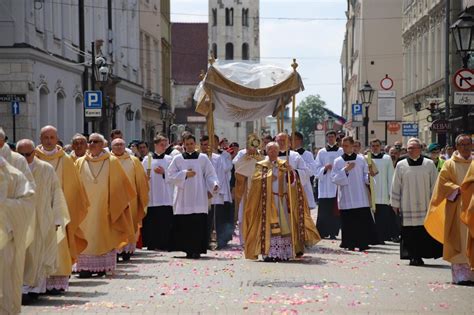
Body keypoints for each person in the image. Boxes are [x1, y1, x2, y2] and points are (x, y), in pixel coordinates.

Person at [243, 141, 320, 261]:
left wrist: (291, 172)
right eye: (270, 150)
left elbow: (293, 183)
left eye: (275, 150)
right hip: (267, 202)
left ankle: (283, 253)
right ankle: (268, 253)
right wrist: (267, 178)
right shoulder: (261, 165)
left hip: (282, 200)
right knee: (268, 227)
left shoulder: (284, 164)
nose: (273, 152)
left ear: (279, 151)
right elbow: (255, 182)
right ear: (266, 151)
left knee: (285, 226)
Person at [35, 125, 89, 293]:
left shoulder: (65, 159)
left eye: (52, 137)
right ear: (40, 139)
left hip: (59, 211)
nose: (49, 141)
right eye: (46, 138)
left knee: (59, 245)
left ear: (57, 139)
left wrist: (66, 209)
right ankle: (38, 282)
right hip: (37, 211)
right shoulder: (33, 157)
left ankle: (56, 281)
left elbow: (74, 189)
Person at [74, 133, 136, 277]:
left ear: (102, 145)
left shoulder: (112, 161)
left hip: (105, 207)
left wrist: (114, 205)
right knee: (85, 235)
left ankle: (101, 267)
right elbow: (75, 185)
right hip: (85, 209)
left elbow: (120, 186)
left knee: (103, 235)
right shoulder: (80, 162)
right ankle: (84, 268)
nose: (92, 144)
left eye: (96, 141)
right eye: (90, 141)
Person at [16, 140, 69, 303]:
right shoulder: (11, 169)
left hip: (41, 218)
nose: (25, 158)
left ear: (34, 152)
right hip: (18, 219)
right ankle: (22, 288)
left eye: (28, 154)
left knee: (38, 253)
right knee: (20, 255)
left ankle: (35, 289)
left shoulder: (46, 169)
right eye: (21, 154)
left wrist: (57, 219)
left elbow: (56, 194)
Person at [425, 134, 474, 284]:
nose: (465, 147)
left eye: (468, 144)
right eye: (462, 145)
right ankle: (461, 277)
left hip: (472, 207)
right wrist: (459, 189)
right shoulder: (449, 164)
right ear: (457, 147)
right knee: (458, 239)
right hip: (457, 207)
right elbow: (443, 184)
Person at [391, 138, 442, 266]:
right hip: (407, 204)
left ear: (420, 149)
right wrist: (395, 204)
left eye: (414, 148)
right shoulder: (401, 165)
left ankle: (420, 255)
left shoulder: (429, 164)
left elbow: (435, 185)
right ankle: (412, 256)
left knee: (422, 232)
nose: (412, 150)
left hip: (425, 204)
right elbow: (396, 185)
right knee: (409, 232)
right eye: (409, 148)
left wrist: (434, 203)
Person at [167, 134, 219, 259]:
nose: (189, 146)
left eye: (191, 143)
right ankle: (187, 249)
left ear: (195, 144)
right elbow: (170, 175)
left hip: (198, 194)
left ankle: (197, 249)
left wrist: (214, 184)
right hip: (183, 196)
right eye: (187, 144)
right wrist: (185, 174)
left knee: (198, 222)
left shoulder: (203, 158)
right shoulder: (178, 159)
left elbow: (210, 174)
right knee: (185, 223)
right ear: (183, 144)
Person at [0, 155, 35, 314]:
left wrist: (5, 206)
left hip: (5, 240)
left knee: (5, 281)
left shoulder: (14, 175)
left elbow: (28, 201)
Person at [331, 136, 377, 251]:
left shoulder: (361, 159)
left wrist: (369, 177)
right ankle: (349, 243)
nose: (344, 147)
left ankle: (363, 243)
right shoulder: (338, 161)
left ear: (352, 145)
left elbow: (365, 176)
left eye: (346, 145)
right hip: (346, 196)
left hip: (360, 195)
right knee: (348, 222)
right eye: (343, 145)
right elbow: (334, 179)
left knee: (361, 221)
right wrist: (345, 170)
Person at [110, 138, 149, 261]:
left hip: (130, 199)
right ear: (112, 146)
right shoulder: (107, 160)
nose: (119, 147)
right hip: (113, 199)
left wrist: (141, 197)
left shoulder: (133, 161)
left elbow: (141, 181)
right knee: (114, 225)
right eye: (116, 145)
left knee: (129, 224)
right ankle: (115, 250)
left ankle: (126, 250)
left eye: (121, 144)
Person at [142, 135, 174, 250]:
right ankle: (152, 243)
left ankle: (165, 243)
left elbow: (174, 176)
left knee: (165, 221)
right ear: (155, 145)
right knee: (152, 221)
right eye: (161, 144)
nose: (164, 147)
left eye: (165, 145)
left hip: (165, 195)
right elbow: (142, 176)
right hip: (153, 195)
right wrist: (146, 177)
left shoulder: (170, 159)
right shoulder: (148, 159)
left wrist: (164, 172)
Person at [200, 135, 233, 249]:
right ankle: (205, 240)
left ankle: (219, 240)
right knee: (205, 218)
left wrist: (213, 189)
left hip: (215, 192)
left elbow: (220, 175)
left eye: (208, 144)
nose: (206, 147)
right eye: (204, 145)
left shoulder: (218, 157)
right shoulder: (198, 157)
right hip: (201, 193)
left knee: (217, 218)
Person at [233, 134, 264, 244]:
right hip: (245, 188)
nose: (252, 149)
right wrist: (246, 160)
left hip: (258, 188)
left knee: (258, 215)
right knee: (243, 215)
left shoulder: (261, 156)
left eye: (255, 147)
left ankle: (257, 238)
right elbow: (237, 166)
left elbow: (265, 168)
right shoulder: (242, 154)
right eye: (250, 146)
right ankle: (244, 240)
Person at [368, 139, 399, 243]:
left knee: (382, 218)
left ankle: (382, 237)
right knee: (371, 217)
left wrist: (391, 194)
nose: (375, 147)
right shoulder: (366, 158)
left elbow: (391, 176)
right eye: (373, 145)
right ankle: (373, 237)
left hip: (383, 193)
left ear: (380, 146)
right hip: (371, 193)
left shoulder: (386, 158)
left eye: (377, 145)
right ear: (370, 147)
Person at [314, 131, 343, 239]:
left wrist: (335, 168)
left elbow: (344, 165)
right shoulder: (321, 152)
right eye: (329, 137)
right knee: (324, 210)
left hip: (335, 184)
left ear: (336, 138)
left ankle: (333, 232)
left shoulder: (341, 151)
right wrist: (324, 168)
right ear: (327, 138)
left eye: (332, 136)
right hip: (325, 184)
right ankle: (322, 232)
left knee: (334, 210)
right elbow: (316, 167)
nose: (330, 138)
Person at [292, 132, 318, 209]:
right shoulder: (288, 154)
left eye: (294, 139)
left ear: (300, 140)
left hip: (304, 186)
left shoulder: (307, 154)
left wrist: (299, 167)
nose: (291, 141)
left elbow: (312, 171)